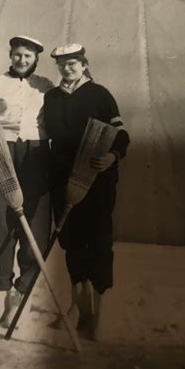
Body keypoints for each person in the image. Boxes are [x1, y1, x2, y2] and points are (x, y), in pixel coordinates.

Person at [44, 43, 130, 340]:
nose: (67, 68)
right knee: (71, 241)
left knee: (98, 242)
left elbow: (121, 134)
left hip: (96, 180)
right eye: (63, 64)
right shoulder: (52, 97)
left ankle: (98, 314)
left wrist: (112, 157)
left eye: (73, 63)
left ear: (84, 64)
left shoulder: (100, 95)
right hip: (63, 178)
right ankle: (77, 307)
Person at [0, 35, 54, 326]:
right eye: (18, 55)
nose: (22, 60)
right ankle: (2, 291)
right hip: (1, 150)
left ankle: (23, 292)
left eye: (28, 56)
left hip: (35, 154)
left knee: (36, 224)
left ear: (36, 59)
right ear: (11, 55)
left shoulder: (46, 86)